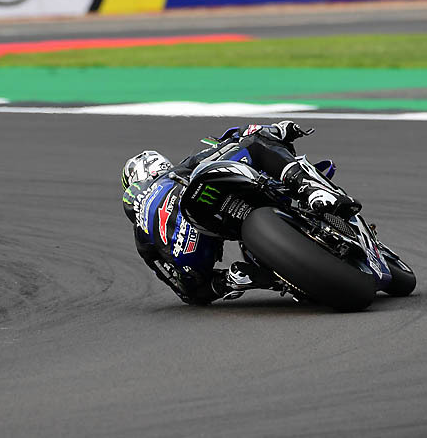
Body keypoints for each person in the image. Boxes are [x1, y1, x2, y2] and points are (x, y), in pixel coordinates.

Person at [121, 121, 361, 305]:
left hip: (193, 249)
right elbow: (235, 138)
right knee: (254, 142)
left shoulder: (140, 232)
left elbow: (184, 290)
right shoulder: (179, 170)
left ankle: (241, 279)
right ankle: (310, 190)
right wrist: (279, 130)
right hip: (199, 199)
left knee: (200, 286)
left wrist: (215, 284)